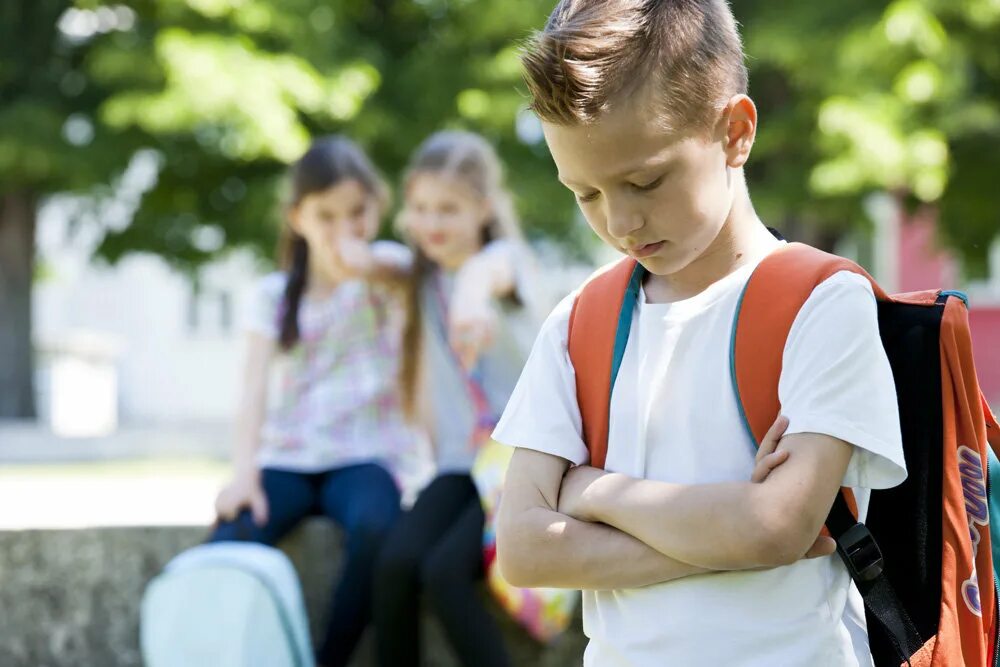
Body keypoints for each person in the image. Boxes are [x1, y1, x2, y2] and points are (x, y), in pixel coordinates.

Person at [493, 2, 908, 665]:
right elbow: (522, 546)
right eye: (586, 194)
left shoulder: (822, 301)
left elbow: (776, 527)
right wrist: (725, 531)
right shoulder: (578, 324)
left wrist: (593, 491)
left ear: (735, 131)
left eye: (644, 180)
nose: (621, 221)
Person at [210, 135, 420, 667]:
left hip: (364, 455)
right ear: (298, 218)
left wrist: (361, 263)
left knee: (378, 527)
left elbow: (404, 277)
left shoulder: (386, 270)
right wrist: (243, 474)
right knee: (230, 539)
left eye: (356, 213)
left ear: (376, 207)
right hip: (289, 457)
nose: (343, 229)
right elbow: (252, 388)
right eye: (326, 216)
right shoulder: (274, 295)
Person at [373, 130, 544, 667]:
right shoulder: (422, 278)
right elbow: (370, 258)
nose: (432, 223)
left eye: (448, 209)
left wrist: (472, 294)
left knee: (444, 572)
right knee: (396, 564)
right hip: (460, 464)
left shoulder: (506, 264)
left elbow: (489, 270)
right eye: (420, 209)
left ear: (483, 208)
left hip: (522, 465)